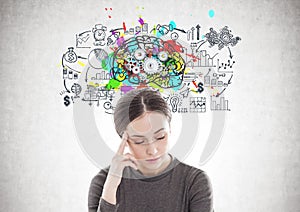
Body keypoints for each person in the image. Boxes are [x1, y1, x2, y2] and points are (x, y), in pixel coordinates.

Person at [88, 88, 214, 212]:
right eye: (139, 141)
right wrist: (112, 184)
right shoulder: (103, 183)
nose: (152, 150)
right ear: (124, 140)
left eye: (160, 137)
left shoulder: (195, 182)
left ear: (169, 128)